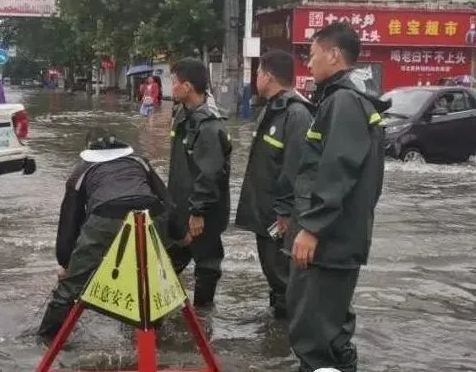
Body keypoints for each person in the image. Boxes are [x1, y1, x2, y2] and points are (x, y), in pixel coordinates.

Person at [287, 22, 390, 372]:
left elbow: (338, 170)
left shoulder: (344, 101)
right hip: (340, 240)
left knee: (315, 336)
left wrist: (312, 228)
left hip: (330, 243)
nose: (309, 64)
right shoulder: (348, 100)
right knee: (330, 332)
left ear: (333, 55)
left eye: (313, 55)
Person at [37, 130, 174, 343]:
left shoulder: (80, 173)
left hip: (106, 217)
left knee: (71, 286)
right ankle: (154, 333)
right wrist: (179, 235)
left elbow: (69, 224)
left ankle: (47, 339)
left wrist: (67, 264)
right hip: (151, 216)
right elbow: (166, 200)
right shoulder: (141, 162)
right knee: (149, 277)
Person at [234, 50, 315, 320]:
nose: (256, 78)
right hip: (265, 212)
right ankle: (276, 332)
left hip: (280, 218)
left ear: (268, 77)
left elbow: (295, 168)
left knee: (283, 275)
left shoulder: (296, 114)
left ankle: (287, 335)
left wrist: (284, 212)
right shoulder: (272, 110)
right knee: (273, 273)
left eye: (257, 73)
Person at [165, 58, 232, 317]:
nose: (171, 86)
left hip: (201, 214)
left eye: (174, 82)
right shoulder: (182, 115)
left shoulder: (209, 125)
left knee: (206, 264)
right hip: (180, 208)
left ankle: (203, 317)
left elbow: (210, 173)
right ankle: (160, 315)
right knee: (167, 261)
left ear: (188, 86)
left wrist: (198, 212)